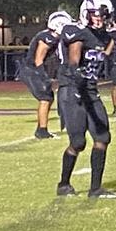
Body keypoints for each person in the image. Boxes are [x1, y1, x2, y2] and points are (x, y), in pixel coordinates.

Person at [56, 0, 116, 199]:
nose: (99, 18)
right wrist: (77, 74)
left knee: (103, 137)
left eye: (103, 14)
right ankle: (63, 184)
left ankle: (95, 189)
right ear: (86, 13)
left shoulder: (103, 36)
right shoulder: (76, 31)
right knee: (78, 143)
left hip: (90, 89)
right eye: (95, 14)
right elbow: (75, 60)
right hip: (73, 88)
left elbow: (104, 55)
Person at [18, 11, 74, 139]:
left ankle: (42, 129)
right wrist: (43, 76)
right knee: (45, 98)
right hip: (32, 70)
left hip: (33, 69)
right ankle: (41, 130)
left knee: (48, 97)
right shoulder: (48, 37)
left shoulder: (52, 36)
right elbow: (38, 59)